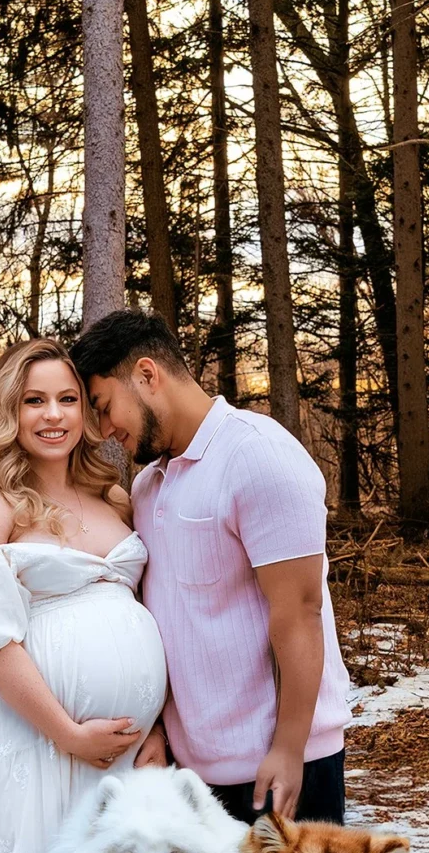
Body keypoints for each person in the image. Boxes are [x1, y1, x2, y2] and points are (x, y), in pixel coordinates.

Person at [69, 311, 352, 825]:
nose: (107, 430)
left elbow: (301, 612)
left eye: (107, 407)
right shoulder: (148, 485)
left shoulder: (258, 455)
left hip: (283, 767)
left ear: (148, 376)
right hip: (194, 779)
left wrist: (289, 749)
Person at [0, 336, 168, 853]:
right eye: (35, 400)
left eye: (68, 399)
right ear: (11, 409)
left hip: (125, 752)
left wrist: (160, 730)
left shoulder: (116, 498)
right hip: (39, 742)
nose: (53, 415)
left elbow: (153, 616)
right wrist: (68, 734)